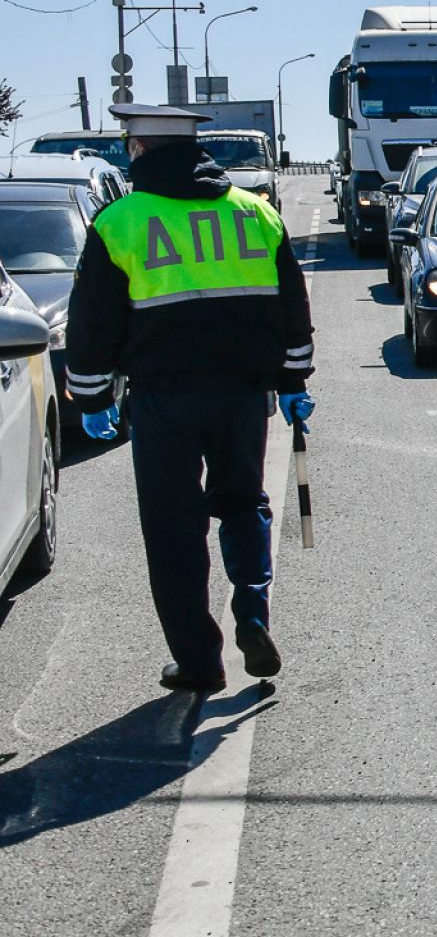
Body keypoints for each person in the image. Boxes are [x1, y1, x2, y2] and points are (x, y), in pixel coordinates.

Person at [64, 104, 316, 694]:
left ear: (138, 150)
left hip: (163, 401)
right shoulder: (255, 213)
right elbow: (291, 306)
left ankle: (201, 662)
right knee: (244, 502)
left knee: (174, 528)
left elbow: (92, 322)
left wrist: (94, 396)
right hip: (242, 397)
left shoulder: (120, 221)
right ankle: (252, 615)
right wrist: (295, 382)